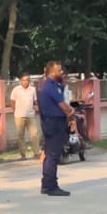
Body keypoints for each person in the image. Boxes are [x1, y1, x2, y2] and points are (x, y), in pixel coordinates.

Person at [36, 61, 76, 196]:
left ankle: (47, 184)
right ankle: (51, 186)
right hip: (54, 123)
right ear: (52, 72)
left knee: (50, 154)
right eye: (59, 70)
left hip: (51, 122)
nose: (61, 72)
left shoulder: (50, 86)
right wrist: (70, 112)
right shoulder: (51, 87)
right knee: (53, 155)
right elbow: (63, 105)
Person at [10, 74, 38, 158]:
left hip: (30, 115)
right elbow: (12, 102)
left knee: (34, 134)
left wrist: (36, 108)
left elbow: (35, 101)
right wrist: (15, 111)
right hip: (19, 115)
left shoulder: (32, 89)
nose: (25, 82)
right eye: (23, 80)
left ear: (29, 81)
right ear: (20, 81)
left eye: (27, 80)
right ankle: (23, 154)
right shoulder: (16, 90)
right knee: (20, 135)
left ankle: (36, 152)